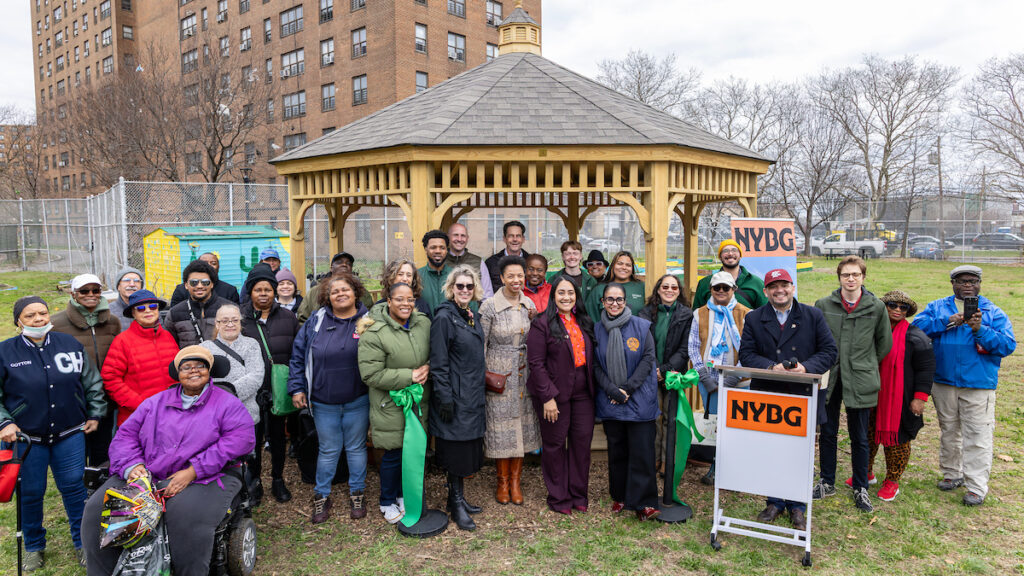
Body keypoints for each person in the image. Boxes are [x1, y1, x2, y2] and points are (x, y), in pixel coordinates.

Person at [82, 346, 255, 576]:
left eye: (200, 366)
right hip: (149, 471)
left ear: (209, 371)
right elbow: (125, 436)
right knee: (98, 509)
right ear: (177, 372)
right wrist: (133, 466)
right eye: (186, 367)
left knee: (185, 516)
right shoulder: (154, 402)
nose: (193, 371)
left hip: (208, 476)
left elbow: (241, 440)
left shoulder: (227, 403)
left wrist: (194, 470)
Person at [0, 296, 106, 571]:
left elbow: (91, 382)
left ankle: (83, 543)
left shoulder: (69, 345)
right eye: (30, 315)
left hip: (69, 433)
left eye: (42, 313)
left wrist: (94, 413)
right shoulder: (5, 353)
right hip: (26, 439)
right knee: (31, 492)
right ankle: (34, 545)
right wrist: (5, 423)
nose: (38, 319)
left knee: (74, 489)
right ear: (18, 321)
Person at [738, 269, 837, 531]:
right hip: (768, 395)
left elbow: (829, 351)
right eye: (773, 286)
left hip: (801, 395)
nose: (779, 290)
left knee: (799, 451)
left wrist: (806, 368)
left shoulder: (812, 315)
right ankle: (773, 501)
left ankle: (797, 506)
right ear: (765, 291)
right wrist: (772, 367)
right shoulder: (755, 318)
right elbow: (746, 355)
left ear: (792, 287)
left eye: (784, 285)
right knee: (770, 449)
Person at [913, 265, 1016, 506]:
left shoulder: (992, 312)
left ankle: (976, 486)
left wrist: (980, 329)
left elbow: (1007, 345)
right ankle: (952, 473)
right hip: (944, 381)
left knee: (977, 435)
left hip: (978, 384)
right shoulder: (939, 307)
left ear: (980, 283)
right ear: (952, 283)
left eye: (973, 280)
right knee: (949, 430)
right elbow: (916, 329)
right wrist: (947, 321)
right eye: (961, 281)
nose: (967, 284)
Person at [288, 272, 371, 523]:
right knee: (328, 449)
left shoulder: (369, 321)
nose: (340, 294)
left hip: (358, 398)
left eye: (345, 289)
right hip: (323, 400)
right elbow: (298, 355)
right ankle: (322, 494)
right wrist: (297, 388)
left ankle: (357, 491)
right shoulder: (316, 320)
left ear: (355, 292)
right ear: (327, 297)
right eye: (335, 291)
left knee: (356, 448)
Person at [813, 256, 892, 513]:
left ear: (863, 278)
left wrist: (864, 363)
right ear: (839, 278)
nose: (850, 279)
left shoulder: (876, 307)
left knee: (859, 436)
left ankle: (860, 486)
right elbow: (816, 340)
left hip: (860, 377)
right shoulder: (824, 305)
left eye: (855, 275)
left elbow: (883, 344)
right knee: (827, 431)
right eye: (846, 274)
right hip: (831, 376)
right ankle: (827, 481)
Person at [357, 283, 431, 525]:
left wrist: (428, 366)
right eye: (399, 299)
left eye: (410, 299)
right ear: (388, 301)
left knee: (412, 451)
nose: (405, 304)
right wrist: (408, 376)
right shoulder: (374, 333)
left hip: (417, 400)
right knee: (393, 453)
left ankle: (403, 495)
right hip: (390, 403)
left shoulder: (423, 324)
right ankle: (387, 500)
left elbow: (433, 352)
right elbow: (370, 374)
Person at [526, 277, 596, 515]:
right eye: (561, 293)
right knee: (555, 445)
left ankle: (578, 494)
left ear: (577, 296)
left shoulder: (583, 321)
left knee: (581, 445)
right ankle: (559, 497)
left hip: (583, 394)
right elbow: (535, 364)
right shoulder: (542, 324)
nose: (566, 297)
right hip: (554, 395)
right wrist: (547, 397)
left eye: (571, 293)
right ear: (553, 295)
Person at [592, 283, 661, 521]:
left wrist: (628, 388)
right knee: (618, 452)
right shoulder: (596, 329)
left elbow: (648, 358)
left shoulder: (641, 327)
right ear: (602, 302)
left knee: (642, 452)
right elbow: (595, 365)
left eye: (619, 299)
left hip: (639, 398)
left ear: (625, 302)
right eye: (609, 299)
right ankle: (620, 496)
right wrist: (612, 389)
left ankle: (645, 503)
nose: (614, 304)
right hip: (611, 400)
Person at [428, 265, 486, 530]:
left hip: (472, 394)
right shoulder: (444, 317)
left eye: (469, 286)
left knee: (466, 451)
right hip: (454, 396)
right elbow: (438, 362)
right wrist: (445, 398)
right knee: (455, 452)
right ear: (451, 289)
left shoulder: (469, 315)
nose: (465, 290)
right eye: (460, 286)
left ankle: (458, 500)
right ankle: (456, 502)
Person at [479, 255, 540, 506]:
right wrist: (482, 374)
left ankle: (516, 480)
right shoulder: (489, 306)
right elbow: (480, 343)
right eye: (511, 276)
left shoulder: (529, 304)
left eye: (520, 275)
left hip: (524, 374)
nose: (516, 280)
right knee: (501, 429)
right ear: (502, 278)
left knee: (521, 429)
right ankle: (502, 480)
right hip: (498, 374)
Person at [867, 290, 935, 502]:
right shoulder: (872, 332)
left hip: (900, 399)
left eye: (902, 307)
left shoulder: (916, 337)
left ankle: (892, 481)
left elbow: (926, 368)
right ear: (884, 307)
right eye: (892, 305)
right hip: (870, 394)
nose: (897, 310)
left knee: (898, 441)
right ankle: (865, 473)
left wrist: (920, 398)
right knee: (866, 436)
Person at [241, 263, 300, 504]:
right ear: (250, 292)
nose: (263, 294)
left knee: (277, 436)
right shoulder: (241, 318)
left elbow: (298, 352)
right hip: (251, 390)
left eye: (268, 289)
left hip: (279, 388)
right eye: (258, 289)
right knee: (252, 437)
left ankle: (277, 478)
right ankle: (254, 481)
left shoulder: (287, 317)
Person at [51, 273, 121, 466]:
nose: (90, 294)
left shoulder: (112, 321)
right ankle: (77, 487)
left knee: (102, 447)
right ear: (74, 294)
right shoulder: (56, 324)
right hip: (73, 397)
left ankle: (97, 486)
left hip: (104, 397)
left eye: (96, 290)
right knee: (75, 452)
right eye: (84, 291)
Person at [687, 271, 750, 484]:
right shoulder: (699, 314)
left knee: (736, 426)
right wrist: (703, 375)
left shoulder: (746, 314)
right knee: (715, 425)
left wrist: (734, 376)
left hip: (738, 382)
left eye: (726, 288)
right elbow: (693, 347)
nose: (721, 291)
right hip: (709, 382)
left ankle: (736, 470)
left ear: (734, 290)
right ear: (711, 290)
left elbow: (750, 350)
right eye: (717, 288)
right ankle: (715, 467)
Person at [637, 274, 694, 479]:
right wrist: (654, 370)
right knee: (654, 418)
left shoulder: (687, 315)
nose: (669, 290)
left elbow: (685, 348)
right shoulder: (644, 314)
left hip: (673, 374)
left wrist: (666, 370)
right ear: (658, 290)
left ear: (679, 292)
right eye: (665, 286)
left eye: (674, 287)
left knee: (671, 418)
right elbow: (643, 343)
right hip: (651, 373)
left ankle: (668, 459)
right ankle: (654, 458)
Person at [102, 290, 180, 427]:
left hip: (171, 413)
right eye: (141, 308)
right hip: (139, 417)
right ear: (133, 313)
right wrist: (141, 404)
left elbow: (178, 371)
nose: (148, 311)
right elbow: (110, 378)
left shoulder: (167, 337)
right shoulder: (122, 341)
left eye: (153, 307)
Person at [200, 304, 264, 426]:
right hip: (213, 415)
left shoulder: (251, 344)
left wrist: (226, 396)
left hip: (245, 413)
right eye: (225, 321)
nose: (230, 324)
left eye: (235, 320)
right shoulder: (204, 347)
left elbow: (256, 376)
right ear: (217, 324)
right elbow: (200, 379)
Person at [164, 259, 233, 346]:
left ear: (212, 284)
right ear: (186, 285)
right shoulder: (174, 313)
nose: (199, 286)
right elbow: (169, 346)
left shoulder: (230, 309)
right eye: (194, 282)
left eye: (205, 282)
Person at [691, 239, 768, 310]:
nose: (730, 253)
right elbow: (697, 314)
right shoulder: (705, 283)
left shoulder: (756, 283)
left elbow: (765, 313)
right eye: (725, 251)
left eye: (734, 250)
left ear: (740, 255)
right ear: (720, 257)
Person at [297, 252, 360, 323]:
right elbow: (302, 319)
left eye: (348, 263)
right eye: (339, 262)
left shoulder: (360, 292)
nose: (344, 265)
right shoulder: (314, 292)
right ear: (331, 268)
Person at [585, 251, 645, 322]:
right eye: (620, 264)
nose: (624, 267)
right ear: (613, 266)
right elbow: (590, 319)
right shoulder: (599, 289)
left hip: (636, 332)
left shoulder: (642, 287)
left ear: (632, 268)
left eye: (628, 265)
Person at [169, 252, 240, 308]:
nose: (209, 266)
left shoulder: (229, 290)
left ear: (219, 267)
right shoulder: (181, 290)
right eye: (205, 263)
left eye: (213, 263)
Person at [481, 221, 530, 298]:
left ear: (523, 239)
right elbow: (486, 292)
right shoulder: (491, 262)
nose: (515, 239)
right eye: (511, 236)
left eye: (518, 236)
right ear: (504, 239)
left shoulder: (531, 262)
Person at [419, 229, 453, 315]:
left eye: (442, 248)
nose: (438, 251)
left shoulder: (457, 276)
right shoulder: (416, 277)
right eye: (433, 247)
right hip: (424, 327)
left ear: (446, 250)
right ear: (425, 249)